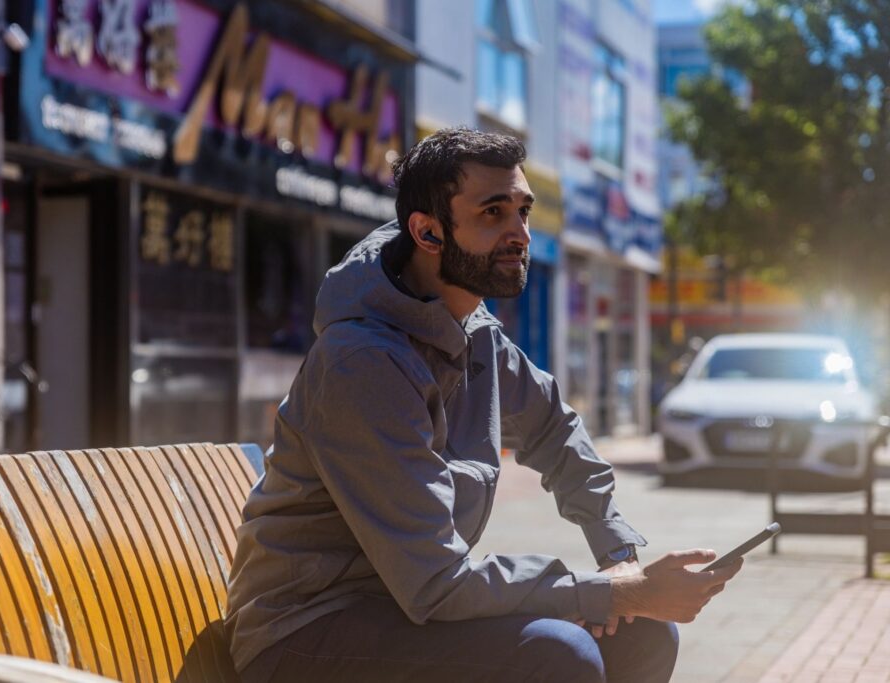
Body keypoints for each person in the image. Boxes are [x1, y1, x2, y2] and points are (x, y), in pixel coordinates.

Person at [225, 128, 741, 682]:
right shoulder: (362, 364)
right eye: (492, 213)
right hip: (304, 631)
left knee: (642, 631)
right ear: (427, 231)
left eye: (523, 210)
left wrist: (616, 551)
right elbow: (436, 584)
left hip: (405, 608)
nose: (519, 233)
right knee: (558, 653)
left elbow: (555, 428)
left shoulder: (473, 331)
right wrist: (610, 592)